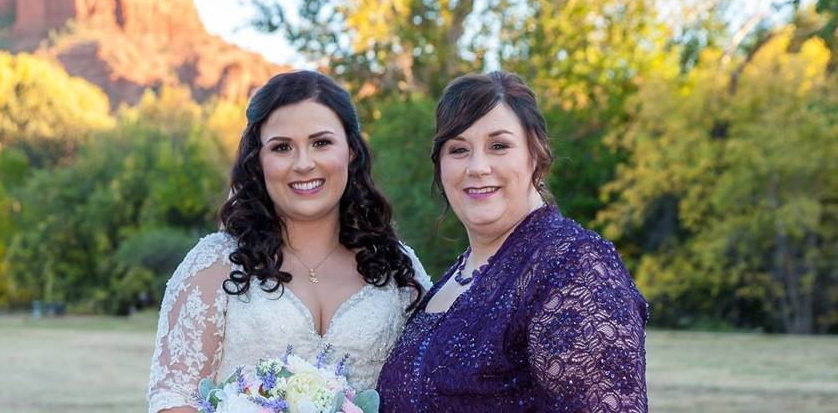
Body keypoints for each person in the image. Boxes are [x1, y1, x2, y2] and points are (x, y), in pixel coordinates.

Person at [147, 71, 430, 413]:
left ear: (351, 151)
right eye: (282, 147)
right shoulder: (215, 265)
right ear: (258, 160)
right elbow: (174, 397)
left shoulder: (397, 267)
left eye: (321, 143)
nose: (303, 163)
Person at [377, 71, 648, 413]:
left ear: (535, 152)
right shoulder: (456, 277)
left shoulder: (572, 264)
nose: (477, 167)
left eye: (499, 146)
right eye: (458, 149)